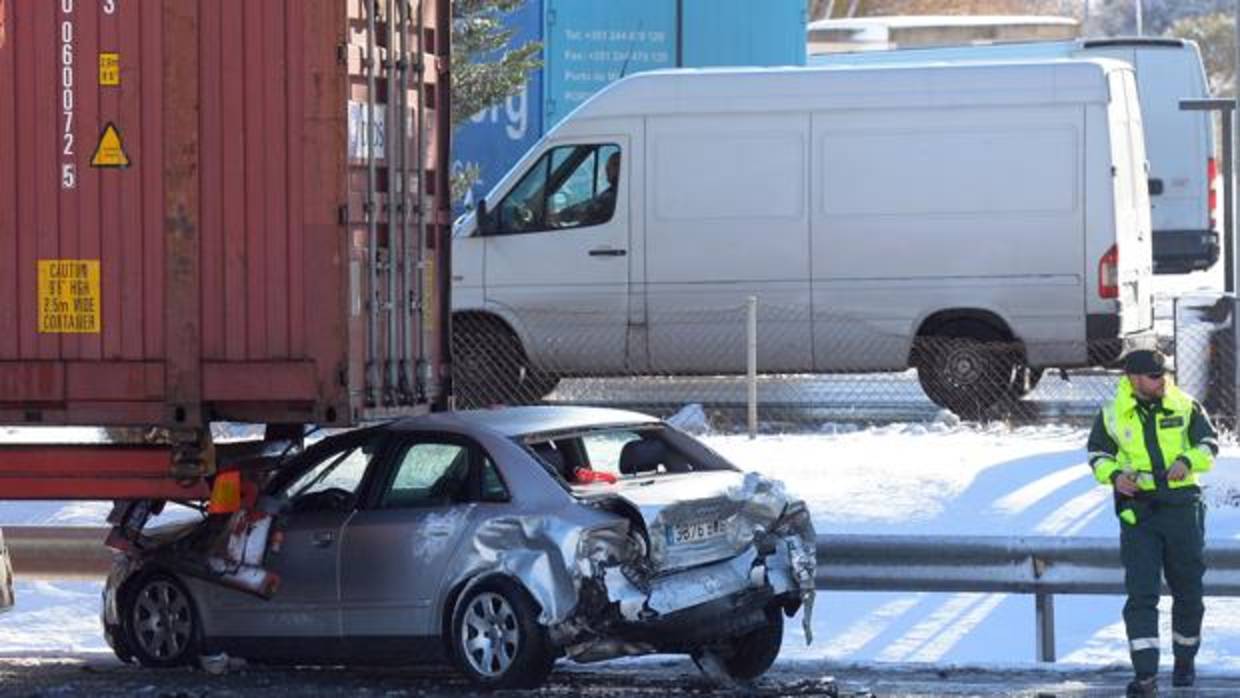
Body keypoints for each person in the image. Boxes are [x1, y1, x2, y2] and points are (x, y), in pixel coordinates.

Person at [1086, 349, 1217, 697]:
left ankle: (1184, 662)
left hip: (1182, 508)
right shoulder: (1112, 414)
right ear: (1133, 378)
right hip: (1139, 513)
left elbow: (1209, 442)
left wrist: (1188, 460)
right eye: (1154, 376)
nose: (1162, 381)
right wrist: (1114, 476)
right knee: (1141, 594)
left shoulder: (1184, 405)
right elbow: (1097, 454)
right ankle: (1145, 676)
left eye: (1164, 375)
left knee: (1188, 590)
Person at [556, 151, 619, 227]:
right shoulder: (613, 190)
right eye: (607, 167)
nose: (607, 170)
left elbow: (588, 210)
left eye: (610, 166)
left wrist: (559, 217)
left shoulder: (614, 195)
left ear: (620, 167)